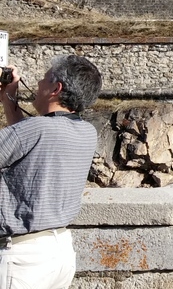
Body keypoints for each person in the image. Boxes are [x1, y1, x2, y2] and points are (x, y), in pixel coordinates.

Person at [0, 55, 102, 289]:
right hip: (59, 253)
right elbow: (25, 141)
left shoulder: (36, 129)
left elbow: (25, 135)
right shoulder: (87, 132)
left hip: (22, 258)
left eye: (44, 79)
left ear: (56, 89)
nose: (37, 83)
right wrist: (8, 97)